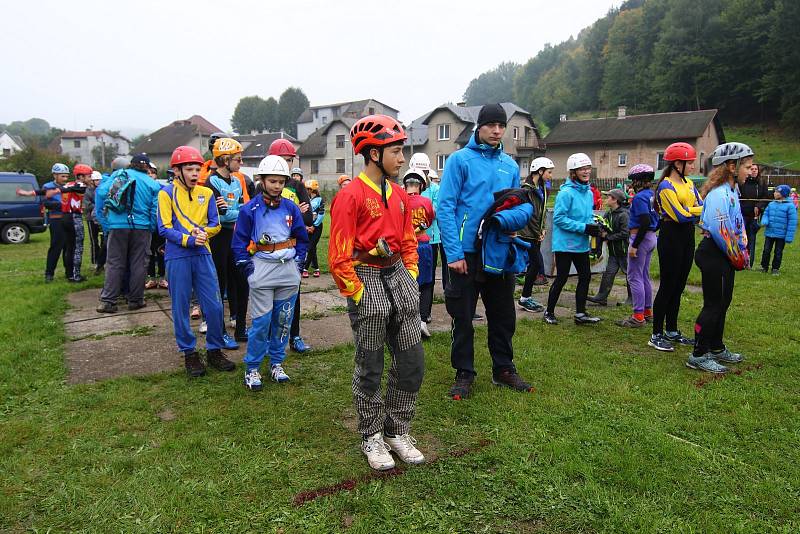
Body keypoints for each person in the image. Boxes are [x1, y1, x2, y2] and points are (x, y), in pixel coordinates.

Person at [329, 114, 425, 471]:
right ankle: (371, 435)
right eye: (396, 151)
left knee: (412, 363)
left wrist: (411, 274)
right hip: (365, 277)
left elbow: (409, 240)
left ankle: (397, 430)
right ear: (373, 153)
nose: (402, 159)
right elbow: (339, 255)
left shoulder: (399, 195)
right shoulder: (349, 196)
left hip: (398, 275)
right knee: (370, 367)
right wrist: (357, 294)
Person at [438, 103, 533, 400]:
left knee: (503, 314)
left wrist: (514, 224)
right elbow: (445, 207)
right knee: (463, 316)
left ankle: (503, 368)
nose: (497, 130)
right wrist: (453, 253)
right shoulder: (459, 160)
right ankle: (464, 372)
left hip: (499, 251)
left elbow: (515, 202)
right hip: (466, 253)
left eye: (501, 125)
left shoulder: (509, 165)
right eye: (491, 124)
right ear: (479, 127)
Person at [158, 146, 235, 377]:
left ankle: (214, 350)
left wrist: (204, 234)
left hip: (203, 254)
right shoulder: (166, 193)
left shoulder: (207, 193)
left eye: (197, 169)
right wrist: (189, 239)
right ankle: (189, 353)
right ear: (177, 170)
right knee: (180, 307)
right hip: (177, 256)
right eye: (189, 169)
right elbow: (164, 227)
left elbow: (216, 224)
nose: (194, 173)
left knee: (214, 304)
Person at [233, 155, 309, 389]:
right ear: (262, 180)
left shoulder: (291, 208)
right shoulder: (249, 209)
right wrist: (247, 268)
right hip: (262, 269)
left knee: (283, 320)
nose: (277, 186)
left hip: (287, 270)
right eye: (272, 181)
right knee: (261, 322)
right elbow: (239, 242)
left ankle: (276, 363)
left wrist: (298, 263)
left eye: (281, 182)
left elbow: (302, 238)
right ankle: (253, 368)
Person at [688, 143, 754, 373]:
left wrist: (742, 244)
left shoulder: (732, 191)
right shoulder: (719, 194)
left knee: (723, 303)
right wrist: (738, 256)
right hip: (715, 253)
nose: (751, 170)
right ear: (731, 166)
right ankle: (698, 354)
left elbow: (736, 223)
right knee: (713, 305)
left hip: (725, 253)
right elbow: (720, 230)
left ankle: (716, 346)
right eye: (747, 166)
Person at [649, 142, 703, 352]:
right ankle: (656, 333)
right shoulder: (665, 187)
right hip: (671, 237)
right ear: (678, 163)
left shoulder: (689, 183)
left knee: (679, 285)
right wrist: (693, 210)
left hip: (687, 236)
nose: (692, 166)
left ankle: (671, 329)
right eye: (690, 163)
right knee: (668, 285)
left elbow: (702, 206)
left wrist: (690, 209)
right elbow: (679, 216)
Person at [95, 153, 162, 313]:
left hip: (117, 225)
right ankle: (136, 300)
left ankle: (108, 301)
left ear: (131, 164)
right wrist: (150, 228)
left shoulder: (120, 174)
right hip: (142, 227)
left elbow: (102, 193)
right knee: (139, 263)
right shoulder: (152, 184)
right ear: (147, 167)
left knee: (114, 262)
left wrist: (107, 223)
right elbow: (155, 210)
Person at [543, 153, 602, 326]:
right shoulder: (565, 193)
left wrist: (595, 227)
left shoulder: (589, 193)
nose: (586, 172)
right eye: (581, 169)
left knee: (585, 276)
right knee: (561, 278)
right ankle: (549, 312)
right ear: (573, 172)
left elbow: (587, 216)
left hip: (581, 244)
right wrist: (584, 228)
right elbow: (559, 219)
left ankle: (581, 313)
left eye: (588, 168)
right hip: (565, 245)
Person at [268, 139, 314, 354]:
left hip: (293, 248)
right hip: (268, 250)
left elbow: (308, 217)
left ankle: (294, 335)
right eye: (283, 159)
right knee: (268, 296)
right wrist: (294, 209)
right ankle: (270, 338)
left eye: (289, 160)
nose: (286, 164)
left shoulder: (297, 185)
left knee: (293, 295)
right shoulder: (264, 184)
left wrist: (294, 212)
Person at [206, 137, 249, 347]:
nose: (240, 163)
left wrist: (233, 211)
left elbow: (239, 210)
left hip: (235, 236)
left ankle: (241, 327)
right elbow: (219, 215)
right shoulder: (210, 182)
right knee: (218, 284)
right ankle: (220, 331)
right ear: (225, 160)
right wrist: (235, 212)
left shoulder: (236, 181)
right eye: (238, 159)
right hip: (218, 239)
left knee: (241, 282)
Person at [617, 165, 659, 328]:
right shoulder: (652, 195)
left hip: (640, 237)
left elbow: (645, 221)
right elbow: (656, 219)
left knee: (634, 277)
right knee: (644, 275)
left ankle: (638, 316)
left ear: (639, 180)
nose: (631, 184)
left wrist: (635, 244)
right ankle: (648, 312)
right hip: (651, 237)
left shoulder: (640, 197)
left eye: (633, 180)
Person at [17, 163, 73, 282]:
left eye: (67, 176)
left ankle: (69, 273)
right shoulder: (47, 186)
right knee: (56, 247)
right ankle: (49, 274)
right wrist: (62, 205)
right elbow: (45, 202)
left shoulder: (69, 186)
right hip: (56, 219)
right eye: (62, 176)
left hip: (69, 219)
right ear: (55, 175)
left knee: (68, 247)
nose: (65, 179)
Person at [403, 168, 435, 338]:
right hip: (422, 246)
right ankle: (422, 322)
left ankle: (406, 321)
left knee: (406, 284)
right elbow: (429, 220)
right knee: (426, 284)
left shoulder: (399, 201)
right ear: (422, 185)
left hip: (404, 248)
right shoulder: (426, 201)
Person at [518, 157, 552, 312]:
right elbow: (529, 214)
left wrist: (543, 228)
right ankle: (524, 297)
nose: (551, 175)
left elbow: (542, 212)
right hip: (526, 233)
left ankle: (525, 297)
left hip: (536, 233)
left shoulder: (543, 188)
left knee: (534, 264)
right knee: (536, 263)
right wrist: (537, 231)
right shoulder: (526, 189)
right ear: (540, 171)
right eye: (549, 172)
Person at [587, 189, 630, 306]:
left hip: (624, 251)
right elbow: (603, 227)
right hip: (613, 252)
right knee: (608, 274)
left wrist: (608, 236)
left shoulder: (624, 215)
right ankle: (601, 297)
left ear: (615, 200)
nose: (606, 199)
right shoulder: (608, 213)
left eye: (608, 197)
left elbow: (625, 233)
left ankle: (632, 299)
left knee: (630, 275)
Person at [760, 184, 797, 275]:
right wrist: (765, 221)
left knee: (778, 252)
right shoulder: (771, 204)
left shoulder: (790, 206)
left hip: (781, 234)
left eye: (777, 192)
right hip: (769, 233)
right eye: (775, 191)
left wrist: (789, 237)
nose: (774, 193)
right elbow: (766, 214)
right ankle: (764, 267)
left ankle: (775, 268)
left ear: (783, 194)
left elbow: (792, 222)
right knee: (766, 250)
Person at [739, 163, 768, 265]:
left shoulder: (762, 183)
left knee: (752, 238)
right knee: (741, 237)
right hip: (743, 214)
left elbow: (765, 196)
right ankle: (740, 260)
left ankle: (749, 263)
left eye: (756, 169)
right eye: (752, 169)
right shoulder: (742, 182)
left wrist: (759, 206)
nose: (754, 170)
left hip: (754, 216)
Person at [144, 162, 167, 290]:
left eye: (153, 172)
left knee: (161, 251)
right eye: (148, 173)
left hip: (160, 226)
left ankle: (162, 278)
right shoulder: (142, 189)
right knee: (149, 253)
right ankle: (151, 278)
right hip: (147, 226)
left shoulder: (162, 188)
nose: (151, 175)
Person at [303, 178, 325, 278]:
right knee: (313, 248)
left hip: (317, 227)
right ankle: (316, 268)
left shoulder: (320, 200)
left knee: (310, 247)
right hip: (307, 227)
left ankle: (305, 268)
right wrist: (307, 226)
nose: (306, 190)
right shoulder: (305, 199)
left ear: (313, 189)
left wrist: (314, 225)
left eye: (308, 189)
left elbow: (321, 214)